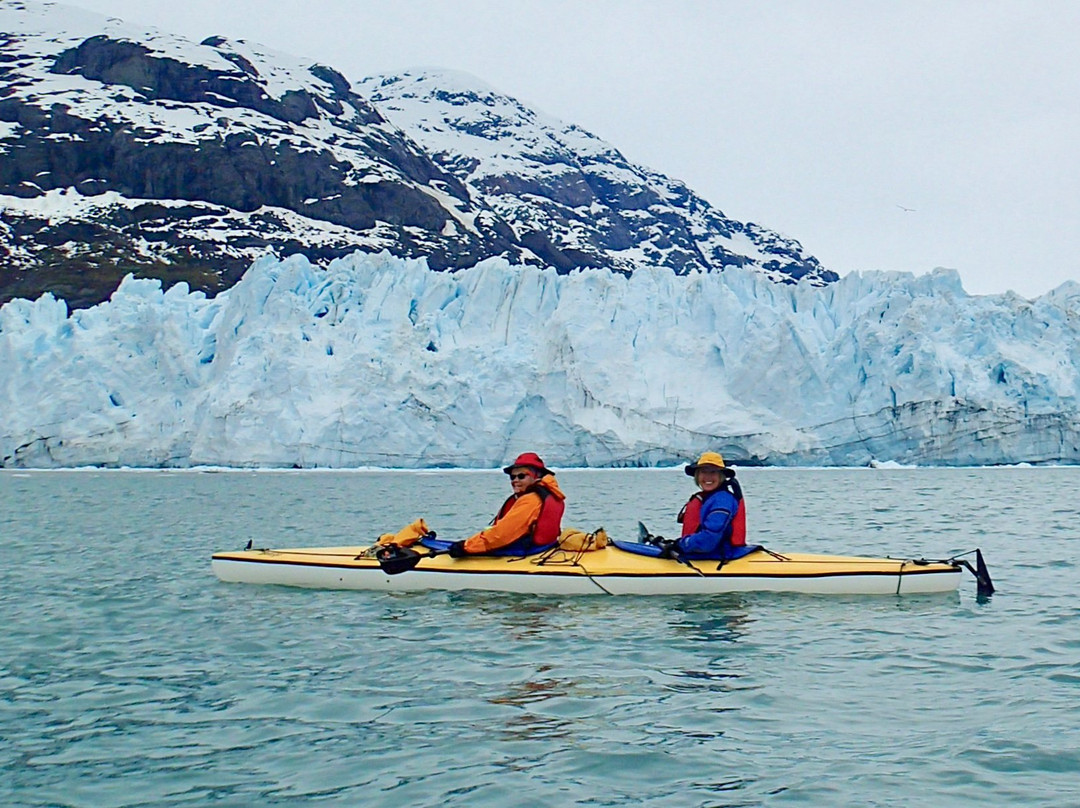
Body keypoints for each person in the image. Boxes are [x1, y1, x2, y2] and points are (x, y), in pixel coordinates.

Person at [447, 452, 566, 557]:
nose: (515, 480)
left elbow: (501, 535)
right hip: (544, 548)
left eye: (521, 476)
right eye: (512, 477)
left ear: (537, 477)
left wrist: (466, 547)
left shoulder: (531, 500)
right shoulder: (548, 494)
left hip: (527, 551)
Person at [667, 451, 746, 559]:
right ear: (697, 476)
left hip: (717, 557)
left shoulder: (722, 501)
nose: (708, 477)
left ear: (721, 476)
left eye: (713, 472)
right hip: (706, 554)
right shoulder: (710, 497)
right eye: (703, 472)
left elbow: (708, 540)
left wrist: (681, 544)